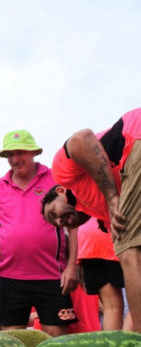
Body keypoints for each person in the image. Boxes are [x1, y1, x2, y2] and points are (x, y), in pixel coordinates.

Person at [41, 107, 141, 333]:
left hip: (135, 137)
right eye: (56, 224)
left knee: (130, 251)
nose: (59, 222)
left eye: (53, 213)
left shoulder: (63, 174)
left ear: (59, 191)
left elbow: (81, 138)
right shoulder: (105, 219)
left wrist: (112, 196)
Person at [0, 130, 79, 337]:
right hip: (10, 278)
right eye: (9, 155)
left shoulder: (56, 180)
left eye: (20, 152)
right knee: (12, 342)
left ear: (33, 152)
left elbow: (73, 224)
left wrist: (72, 266)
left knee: (57, 339)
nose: (15, 159)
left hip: (53, 276)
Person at [77, 218, 125, 330]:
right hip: (110, 236)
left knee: (111, 306)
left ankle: (114, 346)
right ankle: (125, 345)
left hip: (88, 237)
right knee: (132, 304)